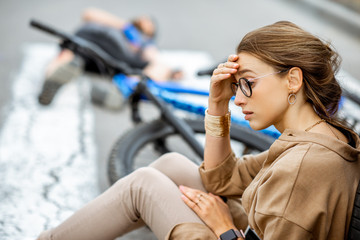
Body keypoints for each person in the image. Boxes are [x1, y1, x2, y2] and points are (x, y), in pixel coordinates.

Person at [36, 21, 360, 240]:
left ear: (293, 80)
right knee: (171, 164)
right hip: (253, 226)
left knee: (142, 184)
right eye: (235, 86)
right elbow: (222, 178)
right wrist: (217, 105)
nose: (239, 97)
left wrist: (223, 228)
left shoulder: (302, 166)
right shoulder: (316, 137)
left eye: (246, 83)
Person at [38, 7, 182, 106]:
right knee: (69, 57)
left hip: (111, 57)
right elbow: (88, 13)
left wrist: (170, 70)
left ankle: (125, 89)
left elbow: (155, 59)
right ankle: (51, 81)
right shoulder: (119, 25)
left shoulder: (145, 44)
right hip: (87, 41)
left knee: (69, 57)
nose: (143, 20)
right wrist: (124, 26)